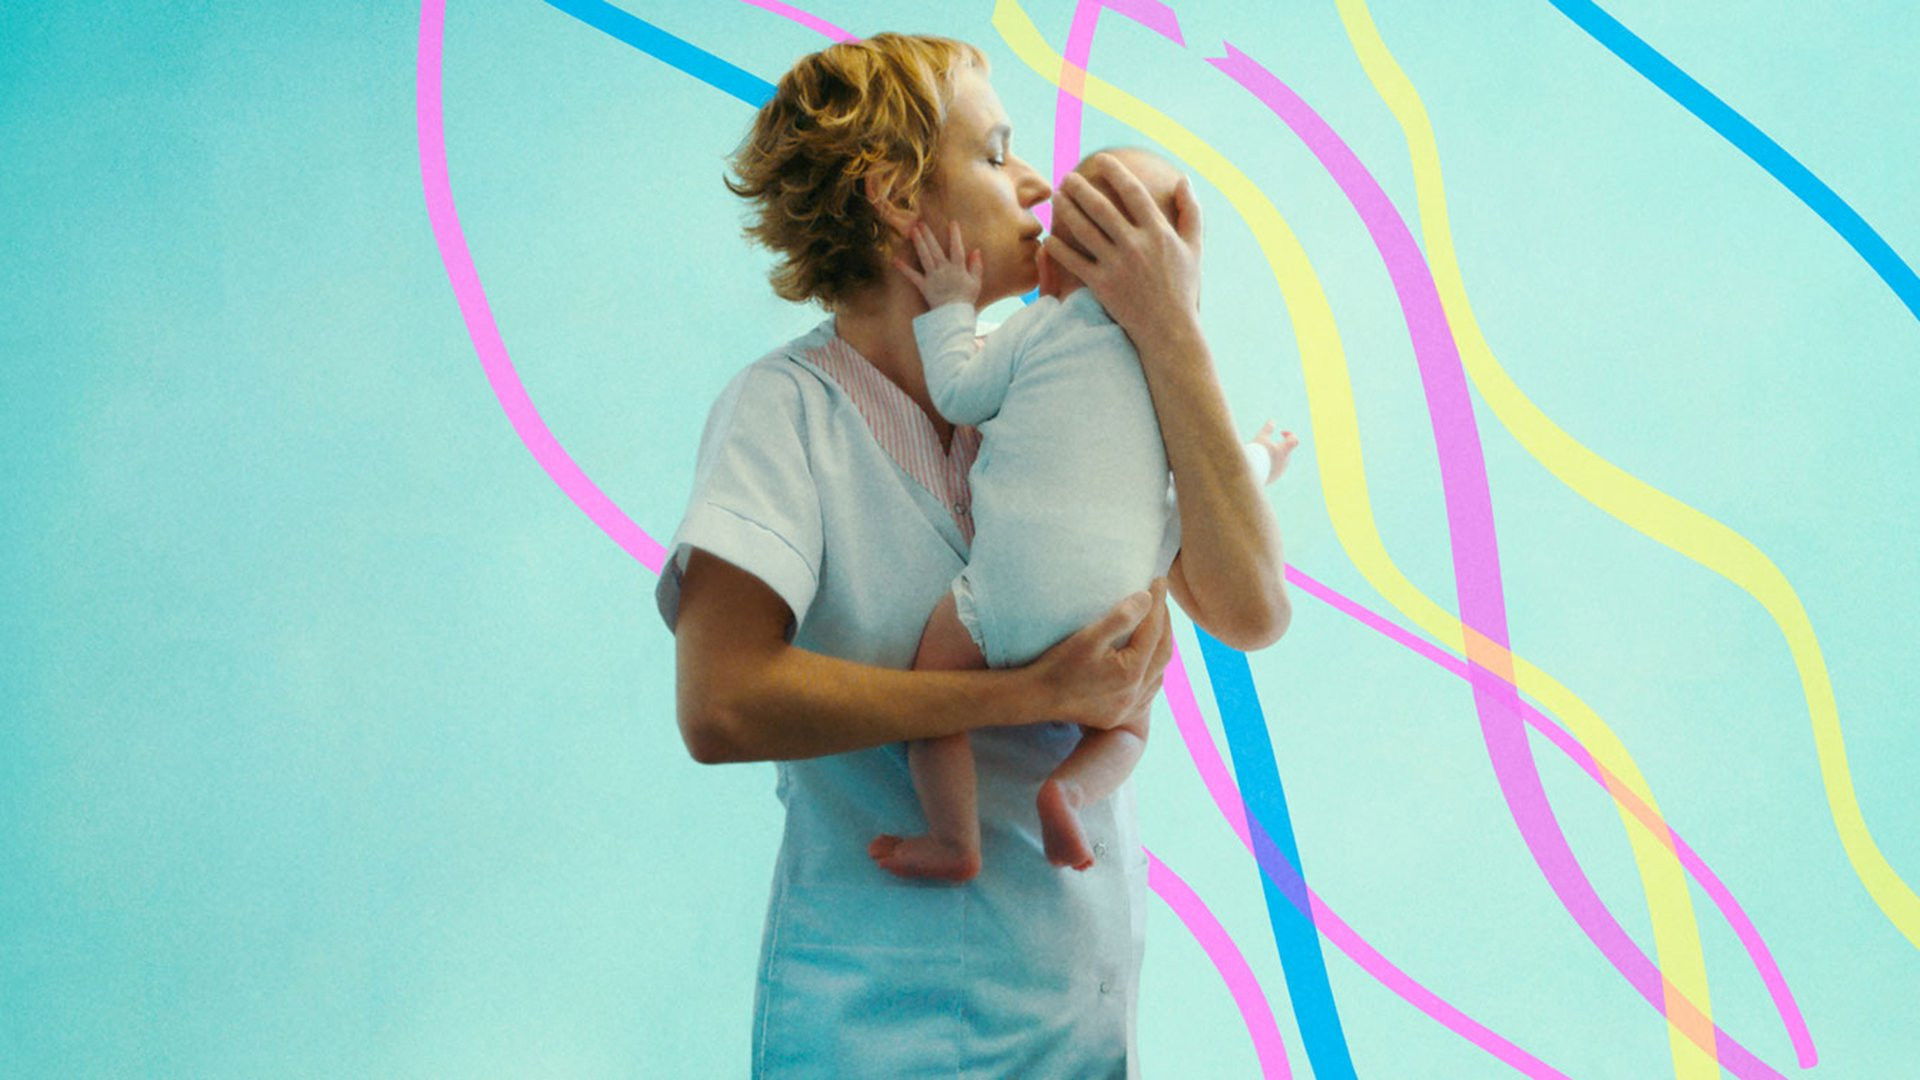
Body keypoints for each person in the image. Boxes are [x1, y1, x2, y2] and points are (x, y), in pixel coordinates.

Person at [658, 32, 1290, 1078]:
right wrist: (1027, 693)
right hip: (886, 1035)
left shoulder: (1052, 396)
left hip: (1076, 1030)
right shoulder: (785, 413)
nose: (1039, 183)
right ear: (897, 196)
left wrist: (1169, 328)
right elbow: (721, 704)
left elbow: (1251, 609)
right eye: (996, 153)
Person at [869, 146, 1300, 883]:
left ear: (1049, 270)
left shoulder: (1041, 327)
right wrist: (1262, 457)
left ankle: (953, 837)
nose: (1028, 183)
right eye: (995, 155)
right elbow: (1202, 481)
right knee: (1129, 724)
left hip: (1001, 605)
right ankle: (1068, 790)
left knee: (932, 695)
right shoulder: (1165, 382)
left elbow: (959, 394)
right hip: (1115, 616)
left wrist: (951, 310)